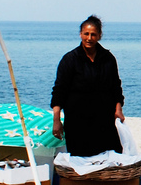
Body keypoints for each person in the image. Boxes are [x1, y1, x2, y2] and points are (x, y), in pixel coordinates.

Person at [50, 15, 126, 157]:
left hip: (104, 120)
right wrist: (56, 120)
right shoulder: (70, 59)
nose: (89, 38)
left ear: (99, 36)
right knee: (81, 159)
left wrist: (118, 109)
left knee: (112, 156)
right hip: (77, 121)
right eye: (86, 34)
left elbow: (116, 87)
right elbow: (59, 91)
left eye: (93, 34)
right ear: (80, 34)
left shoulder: (108, 58)